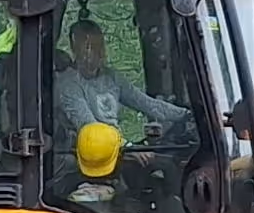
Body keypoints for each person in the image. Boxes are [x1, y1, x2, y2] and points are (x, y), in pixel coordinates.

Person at [56, 20, 187, 140]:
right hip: (91, 152)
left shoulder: (111, 77)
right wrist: (125, 146)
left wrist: (186, 115)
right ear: (75, 49)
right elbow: (90, 127)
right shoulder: (68, 84)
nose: (96, 52)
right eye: (88, 47)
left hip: (116, 146)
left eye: (98, 46)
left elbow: (148, 104)